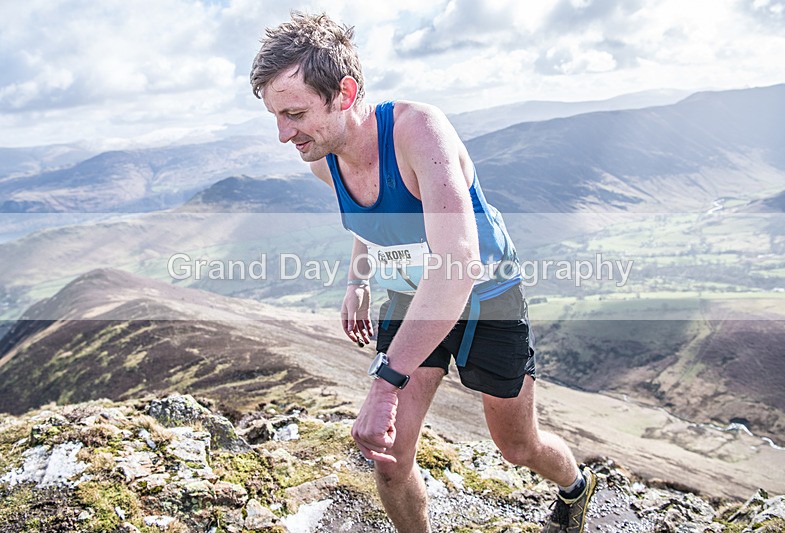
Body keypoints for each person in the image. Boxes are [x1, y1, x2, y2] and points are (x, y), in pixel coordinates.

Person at [250, 12, 596, 533]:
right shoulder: (323, 158)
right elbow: (372, 217)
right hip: (413, 295)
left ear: (344, 92)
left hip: (485, 297)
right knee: (389, 460)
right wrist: (357, 282)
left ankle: (575, 486)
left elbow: (458, 266)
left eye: (295, 113)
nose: (283, 135)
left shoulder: (419, 131)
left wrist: (385, 384)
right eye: (276, 116)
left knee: (517, 446)